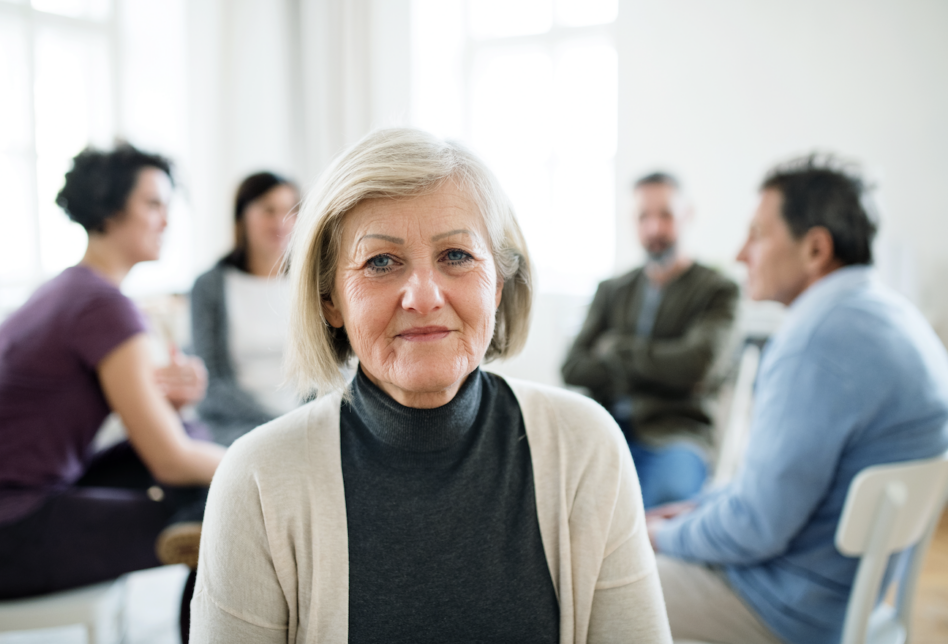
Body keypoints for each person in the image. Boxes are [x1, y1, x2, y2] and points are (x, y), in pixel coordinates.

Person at [190, 129, 670, 643]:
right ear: (331, 300)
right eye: (380, 262)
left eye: (456, 255)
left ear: (499, 283)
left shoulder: (587, 448)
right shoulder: (257, 479)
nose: (423, 296)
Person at [0, 143, 226, 641]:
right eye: (152, 204)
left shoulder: (73, 290)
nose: (166, 221)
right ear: (109, 208)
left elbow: (156, 427)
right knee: (223, 505)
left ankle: (203, 525)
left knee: (194, 445)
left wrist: (171, 406)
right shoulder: (100, 305)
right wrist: (256, 470)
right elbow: (170, 461)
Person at [649, 155, 948, 644]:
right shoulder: (896, 317)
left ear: (815, 249)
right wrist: (693, 510)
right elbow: (768, 494)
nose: (741, 253)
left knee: (594, 581)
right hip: (847, 597)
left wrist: (659, 535)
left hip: (786, 610)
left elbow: (754, 527)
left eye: (758, 234)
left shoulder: (815, 341)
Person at [561, 172, 738, 508]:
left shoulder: (717, 290)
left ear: (688, 215)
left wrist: (615, 349)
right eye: (644, 217)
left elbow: (697, 365)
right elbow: (573, 367)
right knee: (557, 504)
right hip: (605, 427)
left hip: (677, 435)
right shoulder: (612, 290)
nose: (655, 229)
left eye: (666, 215)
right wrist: (666, 369)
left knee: (646, 516)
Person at [190, 172, 301, 446]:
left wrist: (303, 418)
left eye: (290, 211)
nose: (280, 222)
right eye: (268, 210)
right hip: (235, 424)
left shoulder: (312, 281)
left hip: (305, 418)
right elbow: (212, 383)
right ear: (242, 216)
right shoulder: (210, 286)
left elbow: (330, 369)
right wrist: (275, 422)